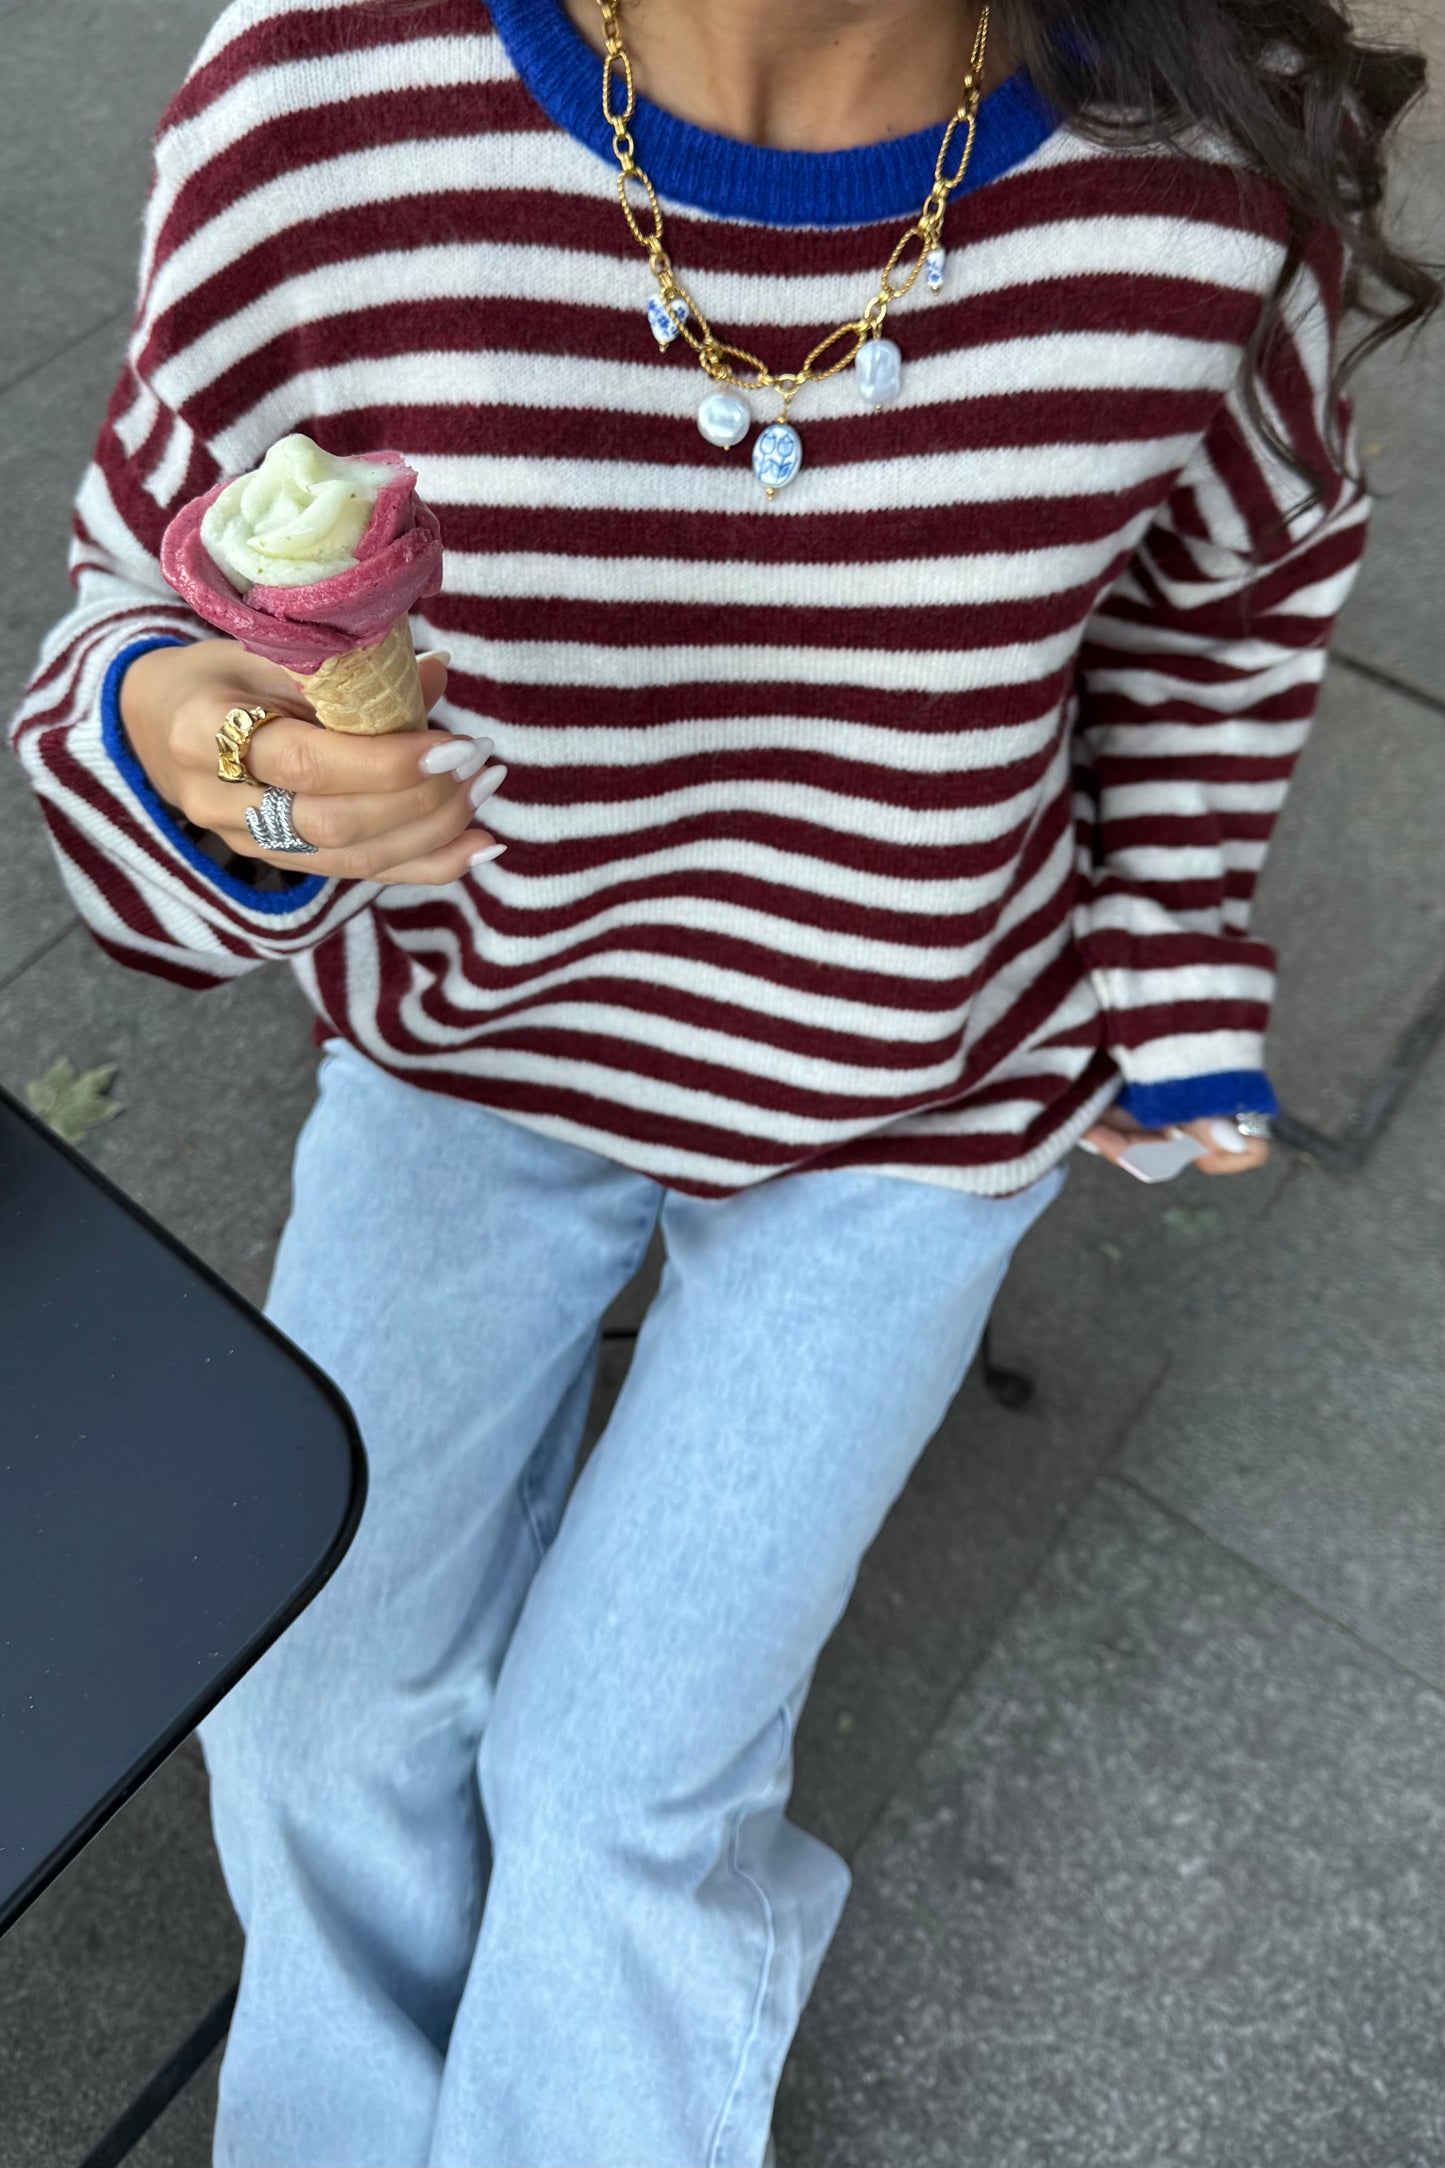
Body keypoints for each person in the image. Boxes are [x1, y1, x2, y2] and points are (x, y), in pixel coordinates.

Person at [8, 0, 1437, 2161]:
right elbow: (140, 623)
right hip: (476, 1058)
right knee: (312, 1701)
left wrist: (1169, 951)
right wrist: (237, 785)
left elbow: (1230, 602)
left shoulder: (1209, 168)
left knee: (615, 1786)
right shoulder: (311, 102)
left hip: (915, 1100)